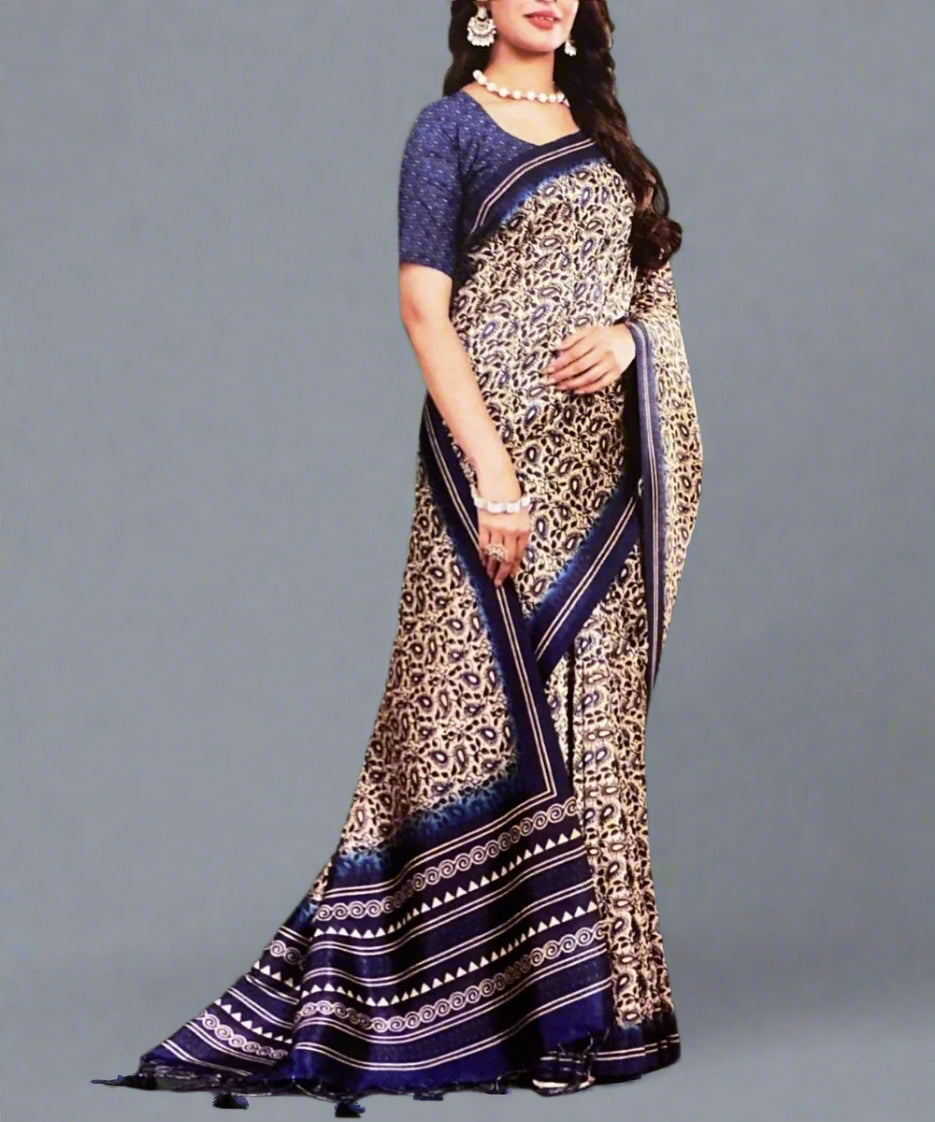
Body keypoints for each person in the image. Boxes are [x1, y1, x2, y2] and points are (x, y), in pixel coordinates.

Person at [91, 0, 703, 1114]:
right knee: (453, 727)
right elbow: (425, 312)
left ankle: (596, 1010)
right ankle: (457, 1002)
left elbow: (652, 302)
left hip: (603, 495)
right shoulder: (447, 133)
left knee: (596, 732)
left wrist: (628, 340)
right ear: (476, 7)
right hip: (492, 482)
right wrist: (494, 478)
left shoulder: (613, 147)